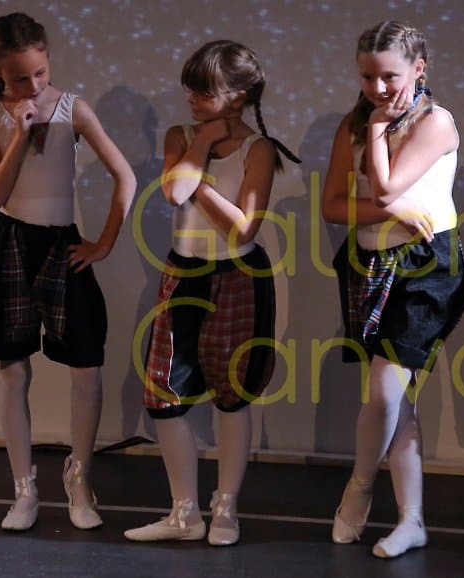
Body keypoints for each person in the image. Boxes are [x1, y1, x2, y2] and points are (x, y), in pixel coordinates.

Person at [0, 12, 135, 532]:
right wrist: (20, 133)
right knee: (13, 368)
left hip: (61, 243)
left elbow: (124, 175)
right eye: (20, 78)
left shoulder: (72, 108)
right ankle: (24, 489)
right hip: (11, 241)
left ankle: (79, 477)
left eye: (40, 72)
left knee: (86, 365)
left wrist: (103, 243)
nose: (34, 85)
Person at [123, 40, 299, 545]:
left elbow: (242, 228)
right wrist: (200, 144)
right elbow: (173, 192)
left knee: (232, 394)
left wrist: (197, 178)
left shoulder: (258, 148)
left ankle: (226, 508)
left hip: (238, 275)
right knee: (166, 392)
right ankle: (184, 512)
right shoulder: (180, 136)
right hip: (184, 272)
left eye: (204, 91)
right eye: (191, 90)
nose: (192, 99)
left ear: (239, 95)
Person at [321, 20, 464, 559]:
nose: (378, 88)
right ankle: (412, 520)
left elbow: (385, 187)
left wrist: (381, 127)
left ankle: (359, 486)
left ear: (418, 69)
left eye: (390, 76)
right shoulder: (355, 125)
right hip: (368, 262)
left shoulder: (436, 122)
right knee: (398, 400)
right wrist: (392, 211)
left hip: (426, 268)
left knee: (386, 391)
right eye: (368, 77)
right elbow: (333, 206)